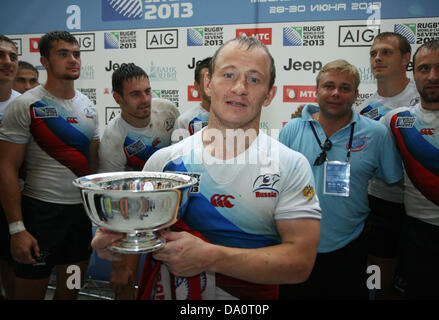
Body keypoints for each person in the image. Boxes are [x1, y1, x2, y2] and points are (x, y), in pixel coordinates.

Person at [92, 35, 322, 300]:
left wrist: (211, 257)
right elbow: (133, 230)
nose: (239, 87)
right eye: (228, 75)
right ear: (207, 83)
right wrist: (116, 243)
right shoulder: (163, 162)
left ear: (269, 95)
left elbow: (300, 264)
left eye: (254, 79)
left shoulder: (290, 165)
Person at [279, 59, 404, 300]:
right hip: (295, 245)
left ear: (356, 94)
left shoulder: (377, 134)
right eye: (329, 86)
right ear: (316, 91)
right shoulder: (292, 129)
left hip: (350, 247)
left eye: (345, 88)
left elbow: (395, 180)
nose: (336, 93)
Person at [0, 30, 100, 300]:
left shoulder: (89, 106)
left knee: (70, 290)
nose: (73, 60)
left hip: (79, 219)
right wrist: (17, 229)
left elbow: (93, 169)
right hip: (40, 217)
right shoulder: (25, 105)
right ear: (44, 61)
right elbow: (6, 169)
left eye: (76, 54)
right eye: (63, 54)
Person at [98, 63, 179, 299]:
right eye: (135, 94)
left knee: (171, 274)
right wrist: (119, 259)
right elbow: (110, 200)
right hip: (130, 212)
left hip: (169, 206)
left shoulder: (168, 111)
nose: (145, 99)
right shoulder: (113, 139)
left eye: (147, 91)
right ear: (118, 98)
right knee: (124, 277)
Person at [382, 39, 439, 299]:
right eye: (424, 69)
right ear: (413, 73)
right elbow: (350, 128)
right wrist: (312, 118)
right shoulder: (398, 120)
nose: (432, 76)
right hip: (418, 237)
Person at [355, 32, 420, 300]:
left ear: (406, 59)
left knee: (421, 281)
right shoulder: (364, 108)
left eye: (386, 52)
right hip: (380, 203)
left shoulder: (425, 96)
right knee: (381, 279)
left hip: (426, 206)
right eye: (373, 53)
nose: (378, 58)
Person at [0, 34, 20, 300]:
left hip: (15, 204)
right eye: (0, 55)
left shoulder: (24, 104)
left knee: (14, 271)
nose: (6, 62)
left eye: (12, 56)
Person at [173, 57, 211, 137]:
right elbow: (178, 149)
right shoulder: (184, 121)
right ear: (196, 86)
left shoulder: (236, 117)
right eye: (206, 81)